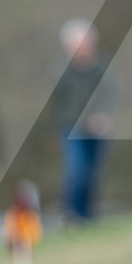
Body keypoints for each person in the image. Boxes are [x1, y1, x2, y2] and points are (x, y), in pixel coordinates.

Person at [55, 19, 113, 222]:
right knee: (76, 170)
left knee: (93, 173)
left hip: (98, 129)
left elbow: (108, 94)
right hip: (72, 128)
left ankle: (90, 216)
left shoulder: (101, 67)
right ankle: (73, 215)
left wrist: (102, 116)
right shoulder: (61, 71)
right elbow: (57, 103)